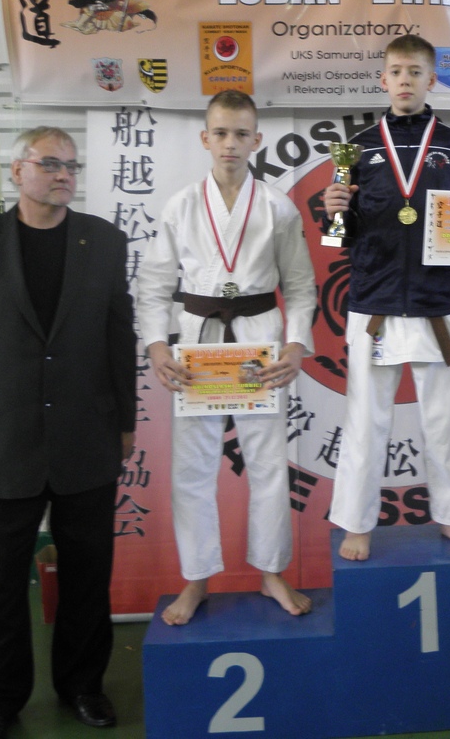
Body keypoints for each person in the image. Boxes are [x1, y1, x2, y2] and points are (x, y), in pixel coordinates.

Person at [0, 127, 136, 739]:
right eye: (50, 163)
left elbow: (118, 336)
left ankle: (83, 686)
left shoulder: (104, 241)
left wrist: (125, 422)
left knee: (87, 574)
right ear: (17, 170)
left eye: (72, 166)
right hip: (4, 437)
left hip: (87, 433)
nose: (64, 175)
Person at [136, 90, 317, 626]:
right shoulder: (181, 205)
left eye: (241, 134)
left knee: (268, 463)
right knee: (192, 468)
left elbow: (300, 286)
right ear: (205, 138)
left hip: (260, 342)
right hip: (197, 344)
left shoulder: (278, 207)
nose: (230, 143)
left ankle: (271, 571)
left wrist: (296, 345)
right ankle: (196, 579)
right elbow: (153, 286)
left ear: (256, 139)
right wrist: (157, 346)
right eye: (220, 133)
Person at [324, 34, 450, 562]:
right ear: (383, 80)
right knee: (365, 419)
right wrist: (333, 210)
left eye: (415, 72)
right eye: (397, 71)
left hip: (435, 303)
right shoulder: (352, 147)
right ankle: (356, 523)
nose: (405, 80)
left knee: (446, 421)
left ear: (431, 80)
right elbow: (338, 238)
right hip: (373, 303)